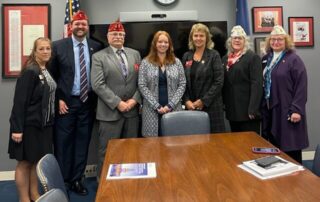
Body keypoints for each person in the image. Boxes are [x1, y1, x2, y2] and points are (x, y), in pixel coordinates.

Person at [49, 10, 103, 195]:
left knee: (82, 143)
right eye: (77, 24)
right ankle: (62, 183)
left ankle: (76, 179)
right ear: (71, 26)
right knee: (63, 144)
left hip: (87, 103)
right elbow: (50, 77)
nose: (80, 27)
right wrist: (57, 100)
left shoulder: (96, 46)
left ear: (87, 27)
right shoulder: (58, 47)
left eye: (84, 24)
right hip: (66, 103)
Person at [91, 20, 141, 179]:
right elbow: (97, 84)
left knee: (131, 149)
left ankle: (128, 181)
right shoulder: (99, 56)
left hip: (132, 113)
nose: (118, 37)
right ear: (108, 36)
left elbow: (142, 81)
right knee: (107, 150)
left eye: (121, 34)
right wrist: (118, 103)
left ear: (124, 36)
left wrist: (134, 100)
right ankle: (104, 184)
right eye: (114, 34)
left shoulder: (135, 54)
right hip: (109, 113)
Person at [8, 37, 56, 202]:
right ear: (34, 52)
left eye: (48, 48)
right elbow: (20, 102)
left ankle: (34, 194)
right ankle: (24, 198)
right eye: (41, 49)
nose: (45, 52)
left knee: (36, 163)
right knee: (25, 163)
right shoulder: (31, 71)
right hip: (28, 126)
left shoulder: (45, 69)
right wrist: (17, 129)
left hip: (43, 126)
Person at [261, 25, 309, 163]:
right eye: (273, 39)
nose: (276, 42)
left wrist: (296, 110)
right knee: (275, 145)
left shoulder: (293, 59)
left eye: (280, 39)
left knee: (290, 146)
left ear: (286, 41)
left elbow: (301, 85)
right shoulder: (266, 59)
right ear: (269, 41)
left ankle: (295, 179)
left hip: (288, 109)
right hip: (271, 109)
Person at [138, 31, 186, 137]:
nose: (163, 44)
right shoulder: (145, 63)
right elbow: (142, 85)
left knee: (173, 142)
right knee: (152, 145)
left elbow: (182, 84)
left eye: (166, 42)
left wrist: (170, 105)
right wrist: (157, 106)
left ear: (169, 45)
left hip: (173, 108)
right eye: (160, 42)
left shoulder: (177, 62)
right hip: (151, 110)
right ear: (155, 44)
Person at [182, 23, 225, 133]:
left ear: (207, 38)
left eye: (201, 36)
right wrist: (186, 101)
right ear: (192, 38)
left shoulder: (214, 55)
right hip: (191, 107)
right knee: (194, 142)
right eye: (196, 35)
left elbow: (219, 82)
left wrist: (203, 101)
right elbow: (183, 82)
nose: (198, 38)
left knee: (215, 144)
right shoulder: (186, 56)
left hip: (211, 107)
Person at [222, 25, 263, 134]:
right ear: (230, 41)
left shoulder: (252, 57)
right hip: (232, 111)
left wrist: (253, 108)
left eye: (240, 38)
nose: (237, 40)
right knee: (236, 145)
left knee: (249, 145)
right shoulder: (226, 59)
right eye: (234, 38)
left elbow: (257, 84)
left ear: (245, 41)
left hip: (248, 112)